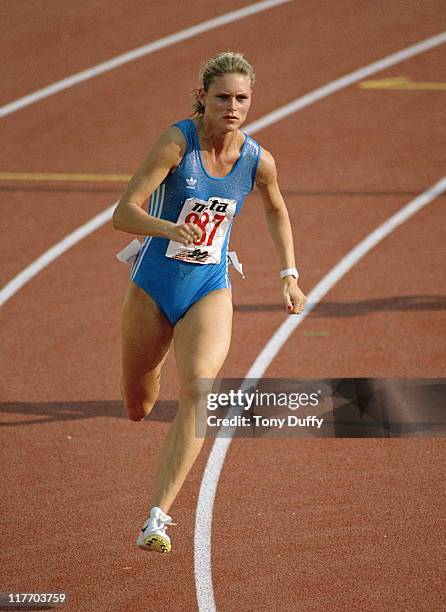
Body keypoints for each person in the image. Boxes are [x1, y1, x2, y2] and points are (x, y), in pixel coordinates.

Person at [112, 51, 307, 553]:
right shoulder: (177, 143)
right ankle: (148, 376)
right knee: (139, 405)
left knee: (199, 394)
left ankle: (156, 516)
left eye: (242, 98)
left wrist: (289, 274)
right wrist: (168, 227)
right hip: (153, 285)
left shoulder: (257, 160)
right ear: (203, 98)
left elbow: (277, 210)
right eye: (223, 97)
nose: (233, 106)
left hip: (209, 287)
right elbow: (124, 213)